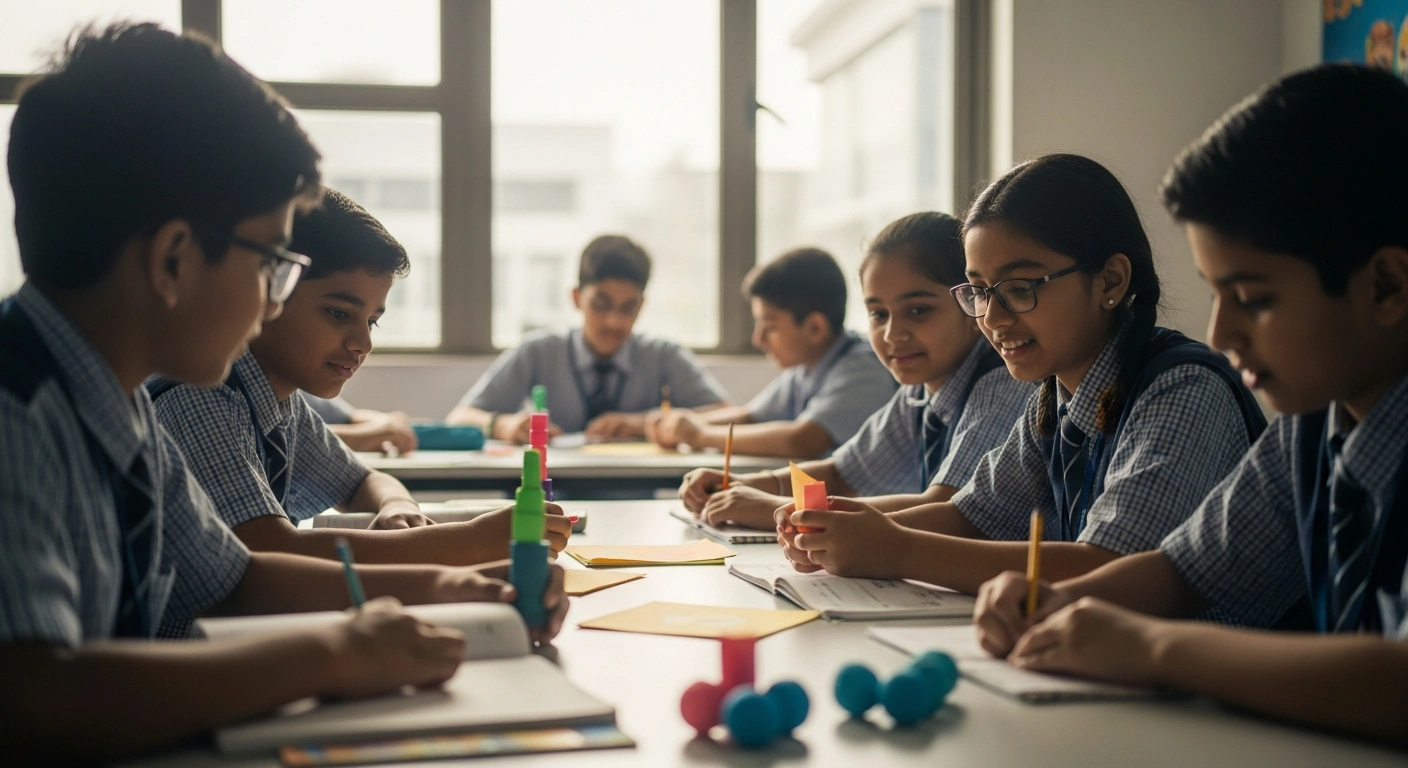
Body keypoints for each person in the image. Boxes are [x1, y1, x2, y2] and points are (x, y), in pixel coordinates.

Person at [0, 25, 564, 763]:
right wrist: (329, 656)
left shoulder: (117, 400)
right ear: (174, 259)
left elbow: (233, 580)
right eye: (273, 265)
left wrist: (455, 583)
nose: (271, 304)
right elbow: (33, 696)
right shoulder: (17, 412)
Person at [972, 65, 1408, 744]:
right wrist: (1060, 602)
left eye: (1255, 299)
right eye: (1214, 293)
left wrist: (1154, 649)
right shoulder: (1311, 429)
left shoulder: (1186, 385)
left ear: (1385, 285)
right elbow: (1186, 569)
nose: (1221, 334)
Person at [777, 154, 1265, 597]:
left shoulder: (1181, 392)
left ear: (1111, 281)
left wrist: (897, 548)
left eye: (1021, 287)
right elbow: (973, 516)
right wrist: (843, 528)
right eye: (980, 290)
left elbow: (1109, 568)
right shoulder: (1054, 400)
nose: (990, 316)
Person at [151, 188, 571, 566]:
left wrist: (395, 506)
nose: (362, 343)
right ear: (272, 290)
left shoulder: (283, 405)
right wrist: (469, 541)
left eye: (373, 321)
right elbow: (268, 551)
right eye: (339, 313)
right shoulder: (201, 398)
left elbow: (365, 479)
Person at [678, 213, 1031, 529]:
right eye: (878, 314)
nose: (893, 334)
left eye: (919, 310)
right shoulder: (919, 393)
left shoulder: (1001, 384)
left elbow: (945, 508)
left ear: (973, 305)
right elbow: (842, 473)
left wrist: (778, 507)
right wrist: (742, 484)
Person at [447, 234, 729, 441]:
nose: (614, 321)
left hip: (633, 500)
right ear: (576, 298)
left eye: (628, 308)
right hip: (545, 498)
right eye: (601, 305)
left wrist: (644, 422)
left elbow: (726, 415)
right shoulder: (538, 351)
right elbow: (460, 418)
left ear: (642, 305)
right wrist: (503, 425)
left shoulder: (662, 355)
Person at [650, 247, 897, 460]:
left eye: (770, 326)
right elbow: (750, 416)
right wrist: (677, 424)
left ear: (815, 328)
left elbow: (802, 441)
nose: (758, 339)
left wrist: (700, 435)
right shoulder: (805, 370)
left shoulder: (863, 370)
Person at [303, 392, 417, 455]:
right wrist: (369, 435)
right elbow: (298, 435)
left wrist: (388, 422)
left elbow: (350, 416)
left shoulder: (308, 389)